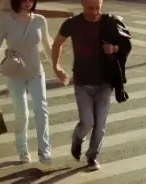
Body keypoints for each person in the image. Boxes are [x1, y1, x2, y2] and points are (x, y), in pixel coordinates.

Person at [0, 0, 65, 164]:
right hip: (15, 75)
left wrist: (57, 68)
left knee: (41, 110)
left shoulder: (40, 20)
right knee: (22, 114)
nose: (27, 2)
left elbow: (47, 48)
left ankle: (44, 150)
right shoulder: (7, 20)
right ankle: (22, 149)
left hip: (35, 72)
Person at [51, 0, 118, 171]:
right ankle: (77, 137)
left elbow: (125, 44)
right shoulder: (72, 24)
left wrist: (114, 48)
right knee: (87, 122)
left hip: (105, 83)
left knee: (100, 125)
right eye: (90, 8)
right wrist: (56, 66)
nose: (95, 12)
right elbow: (57, 43)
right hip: (82, 82)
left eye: (98, 8)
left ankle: (92, 156)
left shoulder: (109, 22)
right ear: (82, 4)